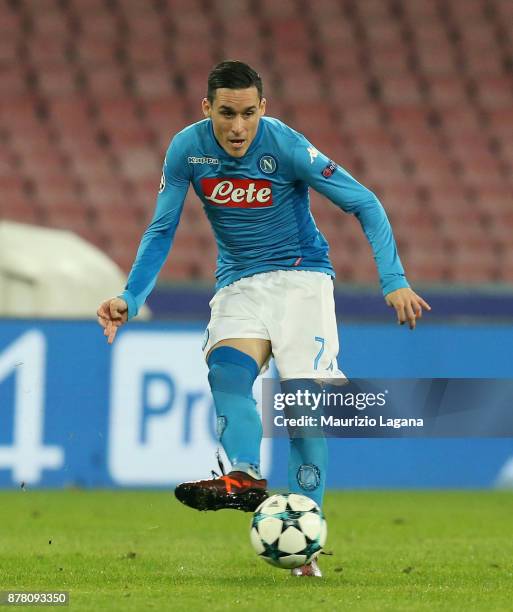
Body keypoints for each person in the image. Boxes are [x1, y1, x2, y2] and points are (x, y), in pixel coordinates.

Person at [97, 60, 430, 577]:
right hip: (237, 282)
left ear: (263, 110)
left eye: (248, 114)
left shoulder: (286, 146)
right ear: (207, 108)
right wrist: (130, 297)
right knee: (226, 370)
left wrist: (393, 280)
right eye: (227, 113)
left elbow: (366, 203)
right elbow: (161, 229)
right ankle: (246, 478)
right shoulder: (187, 149)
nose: (237, 127)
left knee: (300, 411)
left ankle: (306, 548)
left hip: (302, 280)